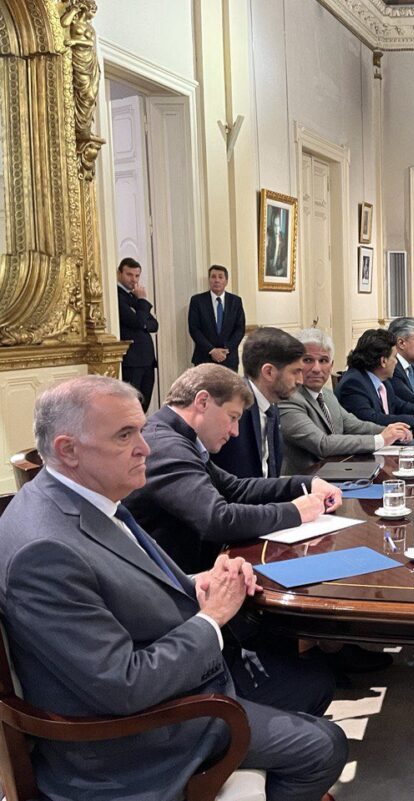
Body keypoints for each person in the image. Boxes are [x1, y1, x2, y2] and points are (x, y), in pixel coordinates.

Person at [0, 376, 346, 801]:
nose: (145, 448)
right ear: (68, 450)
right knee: (324, 747)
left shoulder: (87, 497)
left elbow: (128, 585)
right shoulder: (44, 551)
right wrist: (212, 618)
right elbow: (123, 684)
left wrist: (201, 582)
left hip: (176, 685)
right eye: (125, 435)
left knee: (312, 683)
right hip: (126, 743)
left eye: (140, 431)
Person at [124, 364, 338, 572]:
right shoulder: (166, 445)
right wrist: (295, 512)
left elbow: (235, 489)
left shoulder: (179, 437)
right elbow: (217, 519)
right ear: (203, 401)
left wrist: (306, 483)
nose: (235, 431)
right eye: (232, 417)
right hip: (180, 583)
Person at [280, 328, 411, 474]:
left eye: (323, 361)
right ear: (295, 364)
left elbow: (355, 426)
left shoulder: (327, 395)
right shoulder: (288, 399)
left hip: (336, 473)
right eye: (308, 360)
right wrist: (381, 439)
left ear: (331, 365)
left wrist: (394, 432)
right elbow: (322, 444)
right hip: (304, 481)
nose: (316, 368)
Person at [211, 327, 305, 479]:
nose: (300, 380)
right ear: (268, 372)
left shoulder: (271, 405)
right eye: (295, 372)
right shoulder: (234, 411)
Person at [336, 328, 414, 429]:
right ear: (383, 361)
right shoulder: (353, 383)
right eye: (394, 357)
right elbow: (372, 420)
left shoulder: (382, 380)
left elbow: (399, 405)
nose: (396, 362)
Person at [116, 257, 158, 411]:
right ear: (119, 273)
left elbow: (154, 325)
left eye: (137, 275)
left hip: (147, 360)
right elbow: (138, 322)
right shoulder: (117, 296)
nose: (134, 279)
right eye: (129, 275)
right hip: (132, 360)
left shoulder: (134, 297)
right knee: (131, 406)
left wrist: (143, 321)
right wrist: (142, 301)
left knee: (143, 406)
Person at [189, 264, 245, 371]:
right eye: (213, 277)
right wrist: (212, 350)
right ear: (209, 280)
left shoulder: (236, 301)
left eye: (220, 277)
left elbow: (240, 329)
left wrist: (225, 350)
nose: (217, 280)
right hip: (204, 358)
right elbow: (194, 329)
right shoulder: (197, 301)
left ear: (226, 281)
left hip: (228, 358)